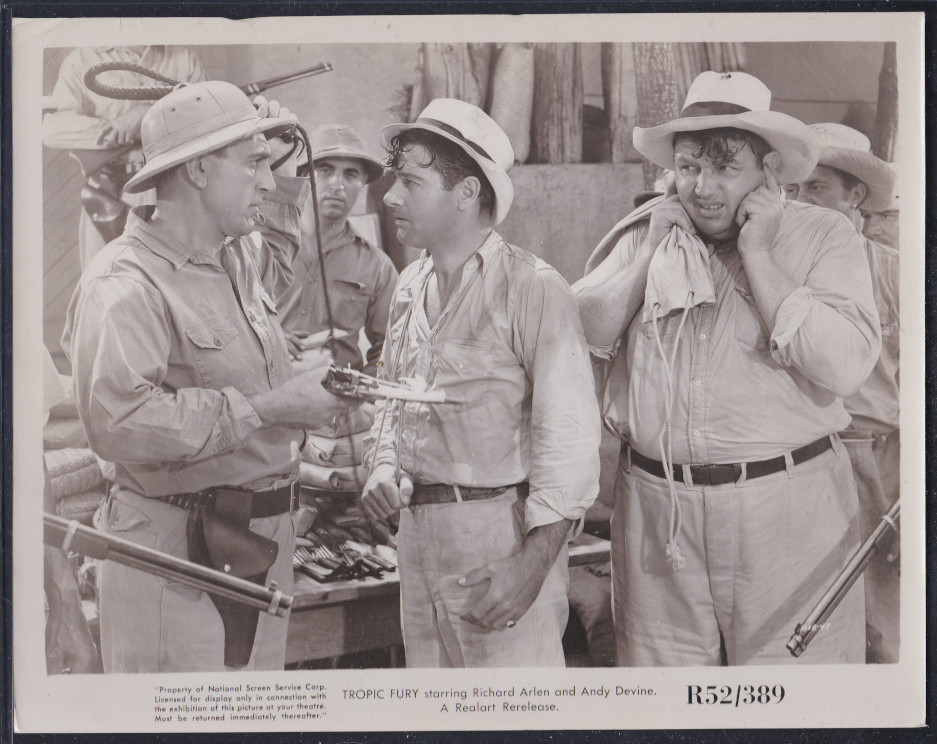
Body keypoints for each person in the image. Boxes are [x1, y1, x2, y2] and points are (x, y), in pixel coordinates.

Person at [573, 71, 881, 666]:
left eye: (724, 168)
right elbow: (578, 332)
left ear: (769, 174)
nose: (703, 188)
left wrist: (760, 253)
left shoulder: (823, 235)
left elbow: (843, 366)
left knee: (794, 705)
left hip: (785, 512)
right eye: (689, 167)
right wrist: (645, 258)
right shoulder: (646, 231)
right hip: (656, 519)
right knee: (663, 705)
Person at [61, 80, 356, 673]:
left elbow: (273, 254)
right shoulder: (125, 284)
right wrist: (271, 407)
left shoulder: (233, 255)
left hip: (257, 547)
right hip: (177, 560)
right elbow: (117, 425)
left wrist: (285, 166)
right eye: (253, 165)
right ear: (198, 170)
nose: (268, 181)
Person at [361, 98, 601, 667]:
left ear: (467, 192)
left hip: (499, 535)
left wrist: (532, 566)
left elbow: (568, 443)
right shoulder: (408, 286)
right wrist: (381, 463)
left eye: (411, 182)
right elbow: (392, 401)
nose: (391, 196)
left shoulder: (533, 289)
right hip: (417, 535)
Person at [788, 123, 900, 663]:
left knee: (885, 617)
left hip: (878, 457)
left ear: (855, 195)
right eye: (795, 189)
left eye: (818, 190)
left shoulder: (895, 273)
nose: (802, 202)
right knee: (812, 614)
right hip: (801, 458)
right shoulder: (777, 267)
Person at [43, 45, 206, 269]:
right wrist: (116, 129)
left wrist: (148, 116)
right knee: (102, 286)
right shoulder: (82, 58)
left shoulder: (183, 58)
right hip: (108, 191)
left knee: (164, 282)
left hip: (167, 191)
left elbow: (207, 121)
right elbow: (52, 129)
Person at [279, 124, 397, 376]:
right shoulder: (265, 247)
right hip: (267, 396)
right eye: (325, 170)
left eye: (350, 174)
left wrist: (365, 390)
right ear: (303, 175)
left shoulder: (377, 267)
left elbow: (388, 348)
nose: (337, 184)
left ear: (363, 182)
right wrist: (270, 337)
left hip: (338, 402)